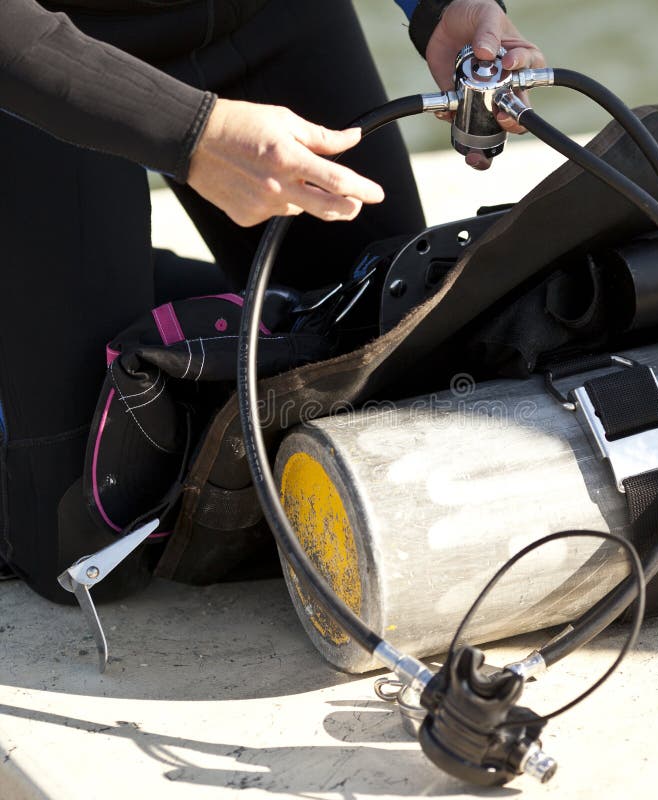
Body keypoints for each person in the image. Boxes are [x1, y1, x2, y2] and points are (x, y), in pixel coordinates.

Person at [0, 0, 543, 595]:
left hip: (259, 17)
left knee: (388, 367)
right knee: (87, 552)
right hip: (35, 43)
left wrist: (439, 7)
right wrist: (192, 134)